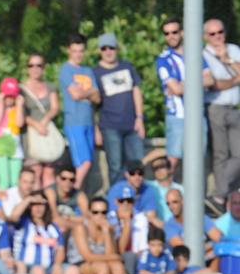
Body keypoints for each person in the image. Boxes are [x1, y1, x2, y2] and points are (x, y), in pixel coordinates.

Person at [92, 33, 145, 186]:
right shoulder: (95, 72)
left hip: (132, 125)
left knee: (137, 166)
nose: (108, 51)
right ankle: (117, 202)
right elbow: (92, 104)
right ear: (99, 51)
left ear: (117, 49)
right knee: (115, 168)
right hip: (109, 127)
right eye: (104, 48)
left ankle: (137, 202)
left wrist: (140, 118)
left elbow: (136, 91)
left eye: (111, 48)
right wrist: (96, 130)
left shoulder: (127, 67)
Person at [202, 19, 240, 199]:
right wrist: (235, 79)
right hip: (215, 107)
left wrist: (228, 61)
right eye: (212, 34)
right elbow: (213, 85)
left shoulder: (233, 50)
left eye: (220, 32)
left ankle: (220, 191)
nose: (217, 37)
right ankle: (221, 196)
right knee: (221, 154)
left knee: (238, 154)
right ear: (205, 37)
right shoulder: (204, 55)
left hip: (234, 107)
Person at [59, 34, 102, 194]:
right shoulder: (66, 70)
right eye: (75, 51)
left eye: (81, 51)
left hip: (88, 122)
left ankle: (79, 194)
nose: (78, 54)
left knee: (86, 164)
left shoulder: (88, 70)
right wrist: (90, 91)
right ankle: (72, 192)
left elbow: (97, 98)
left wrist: (86, 92)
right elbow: (75, 95)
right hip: (74, 121)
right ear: (69, 51)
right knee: (84, 162)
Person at [18, 54, 63, 188]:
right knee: (35, 171)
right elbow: (19, 114)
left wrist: (45, 121)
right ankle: (37, 203)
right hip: (30, 134)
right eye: (31, 65)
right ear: (27, 68)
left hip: (47, 131)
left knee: (49, 171)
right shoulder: (21, 89)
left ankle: (50, 203)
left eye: (39, 65)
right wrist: (36, 124)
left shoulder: (50, 87)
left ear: (44, 68)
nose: (35, 69)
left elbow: (55, 107)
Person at [155, 18, 186, 178]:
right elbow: (176, 89)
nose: (171, 36)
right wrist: (198, 83)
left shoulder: (195, 54)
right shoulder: (164, 59)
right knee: (172, 160)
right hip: (177, 115)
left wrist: (183, 85)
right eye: (166, 33)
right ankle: (167, 196)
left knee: (198, 158)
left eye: (174, 32)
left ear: (182, 32)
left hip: (198, 115)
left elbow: (210, 79)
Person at [11, 195, 65, 274]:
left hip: (49, 267)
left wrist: (57, 265)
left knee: (72, 271)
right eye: (35, 204)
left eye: (41, 204)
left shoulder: (53, 227)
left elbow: (60, 249)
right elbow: (13, 216)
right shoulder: (24, 223)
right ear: (30, 206)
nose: (38, 208)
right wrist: (28, 199)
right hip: (26, 267)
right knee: (38, 271)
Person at [73, 196, 127, 274]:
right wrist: (114, 257)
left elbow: (110, 254)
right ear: (89, 213)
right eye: (95, 212)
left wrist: (106, 232)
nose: (100, 215)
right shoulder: (81, 228)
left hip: (102, 261)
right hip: (80, 264)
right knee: (102, 267)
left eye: (103, 212)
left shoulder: (109, 229)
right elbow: (87, 256)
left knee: (117, 266)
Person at [0, 77, 25, 188]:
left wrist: (19, 105)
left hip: (15, 147)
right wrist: (1, 103)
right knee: (4, 180)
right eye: (7, 96)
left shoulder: (17, 108)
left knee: (15, 182)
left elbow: (19, 123)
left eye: (12, 96)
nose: (9, 99)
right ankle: (2, 203)